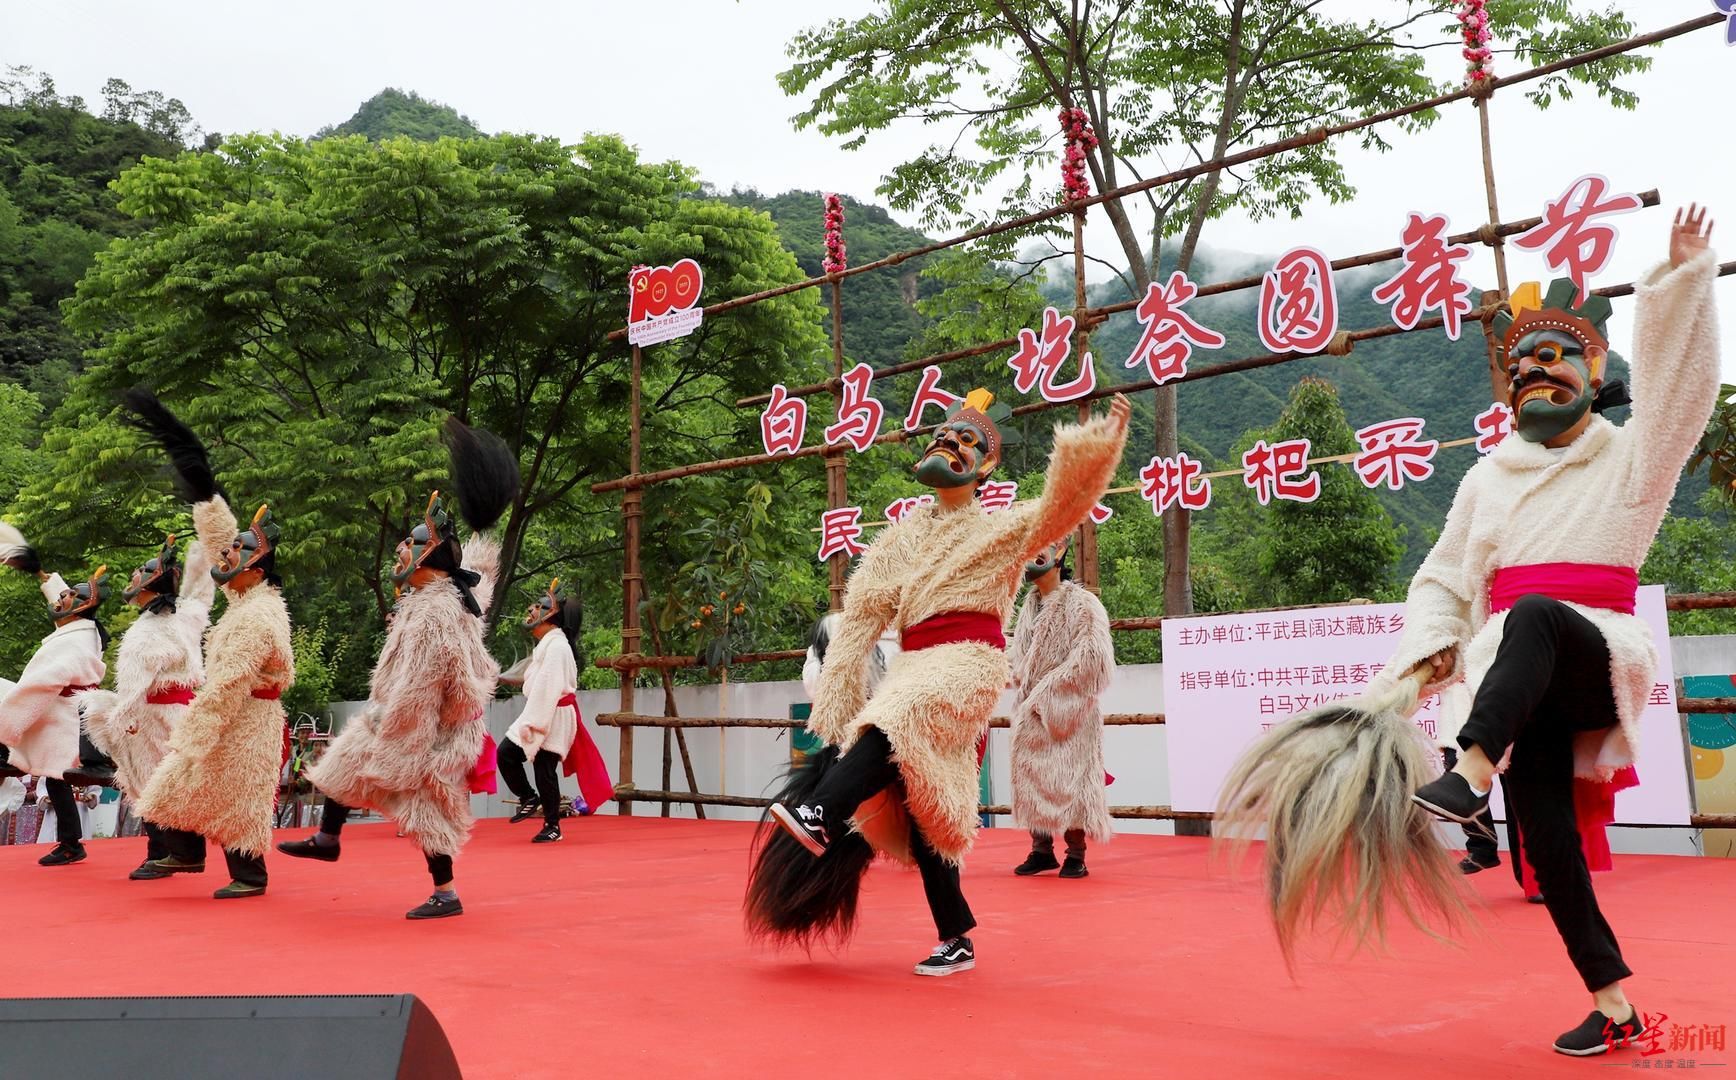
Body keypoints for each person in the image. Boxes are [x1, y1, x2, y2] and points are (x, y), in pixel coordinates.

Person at [1389, 206, 1719, 1055]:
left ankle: (1465, 770)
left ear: (1595, 364)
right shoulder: (1484, 481)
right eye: (1521, 364)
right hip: (1515, 676)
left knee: (1534, 612)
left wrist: (1682, 280)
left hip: (1595, 651)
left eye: (1555, 356)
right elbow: (1440, 577)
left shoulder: (1633, 455)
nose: (1537, 371)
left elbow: (1684, 394)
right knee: (1547, 845)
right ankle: (1615, 1007)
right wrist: (1428, 647)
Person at [748, 388, 1130, 976]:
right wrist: (836, 713)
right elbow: (861, 617)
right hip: (915, 662)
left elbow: (1059, 506)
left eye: (968, 441)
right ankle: (957, 937)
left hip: (969, 661)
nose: (949, 442)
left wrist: (1098, 448)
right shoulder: (901, 537)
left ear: (987, 465)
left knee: (901, 712)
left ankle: (822, 814)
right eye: (944, 434)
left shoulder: (1003, 530)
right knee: (929, 808)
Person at [278, 419, 517, 919]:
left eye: (410, 543)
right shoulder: (443, 594)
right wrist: (481, 528)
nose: (401, 551)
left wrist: (400, 733)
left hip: (431, 730)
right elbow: (482, 575)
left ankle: (446, 894)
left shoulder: (435, 610)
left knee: (425, 807)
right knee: (343, 760)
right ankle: (328, 836)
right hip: (411, 719)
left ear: (430, 553)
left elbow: (421, 685)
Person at [80, 528, 219, 880]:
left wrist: (116, 721)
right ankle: (176, 852)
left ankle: (179, 854)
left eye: (135, 575)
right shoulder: (183, 616)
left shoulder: (145, 633)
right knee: (171, 784)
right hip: (184, 712)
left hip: (155, 717)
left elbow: (132, 688)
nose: (130, 579)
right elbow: (200, 593)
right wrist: (203, 548)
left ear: (150, 584)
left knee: (152, 787)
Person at [0, 526, 111, 868]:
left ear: (81, 607)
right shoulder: (84, 630)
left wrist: (8, 723)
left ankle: (72, 843)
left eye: (67, 599)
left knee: (56, 776)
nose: (60, 601)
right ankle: (71, 843)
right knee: (55, 778)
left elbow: (38, 686)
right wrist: (43, 576)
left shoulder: (74, 641)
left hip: (65, 720)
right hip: (63, 717)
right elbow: (67, 601)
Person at [1006, 537, 1114, 879]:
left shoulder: (1083, 604)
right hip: (1031, 710)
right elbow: (1018, 658)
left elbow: (1092, 658)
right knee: (1032, 777)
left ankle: (1076, 854)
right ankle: (1041, 850)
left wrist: (1049, 692)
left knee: (1071, 780)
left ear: (1060, 552)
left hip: (1070, 709)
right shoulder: (1029, 606)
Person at [497, 579, 610, 841]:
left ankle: (550, 823)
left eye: (539, 606)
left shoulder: (557, 647)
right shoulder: (549, 645)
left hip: (552, 713)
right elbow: (535, 682)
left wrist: (534, 723)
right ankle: (533, 802)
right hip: (546, 709)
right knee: (516, 759)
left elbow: (548, 689)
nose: (532, 610)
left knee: (537, 767)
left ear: (551, 615)